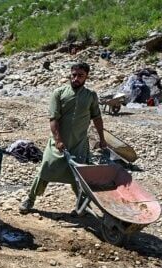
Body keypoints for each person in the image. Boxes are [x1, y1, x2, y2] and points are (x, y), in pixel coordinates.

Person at [19, 62, 106, 214]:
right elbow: (53, 119)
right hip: (58, 144)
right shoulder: (59, 93)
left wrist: (102, 139)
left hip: (79, 143)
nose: (76, 78)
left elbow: (97, 118)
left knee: (79, 176)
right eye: (73, 75)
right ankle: (30, 200)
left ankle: (82, 205)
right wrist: (58, 140)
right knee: (46, 169)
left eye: (80, 76)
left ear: (86, 77)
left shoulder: (91, 96)